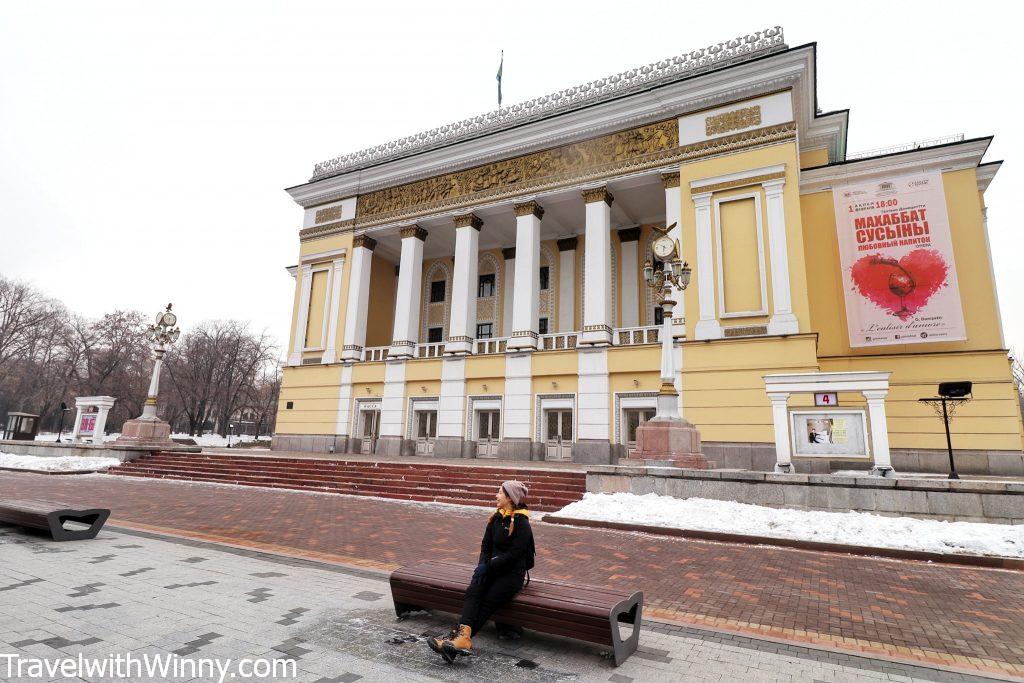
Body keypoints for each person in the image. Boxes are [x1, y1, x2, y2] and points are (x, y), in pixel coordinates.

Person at [428, 479, 535, 663]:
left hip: (511, 575)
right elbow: (486, 546)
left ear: (510, 497)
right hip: (492, 570)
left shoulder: (521, 522)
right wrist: (482, 566)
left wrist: (489, 566)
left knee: (487, 600)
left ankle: (455, 640)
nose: (496, 495)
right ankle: (458, 642)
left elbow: (515, 554)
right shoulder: (495, 518)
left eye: (500, 492)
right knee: (473, 591)